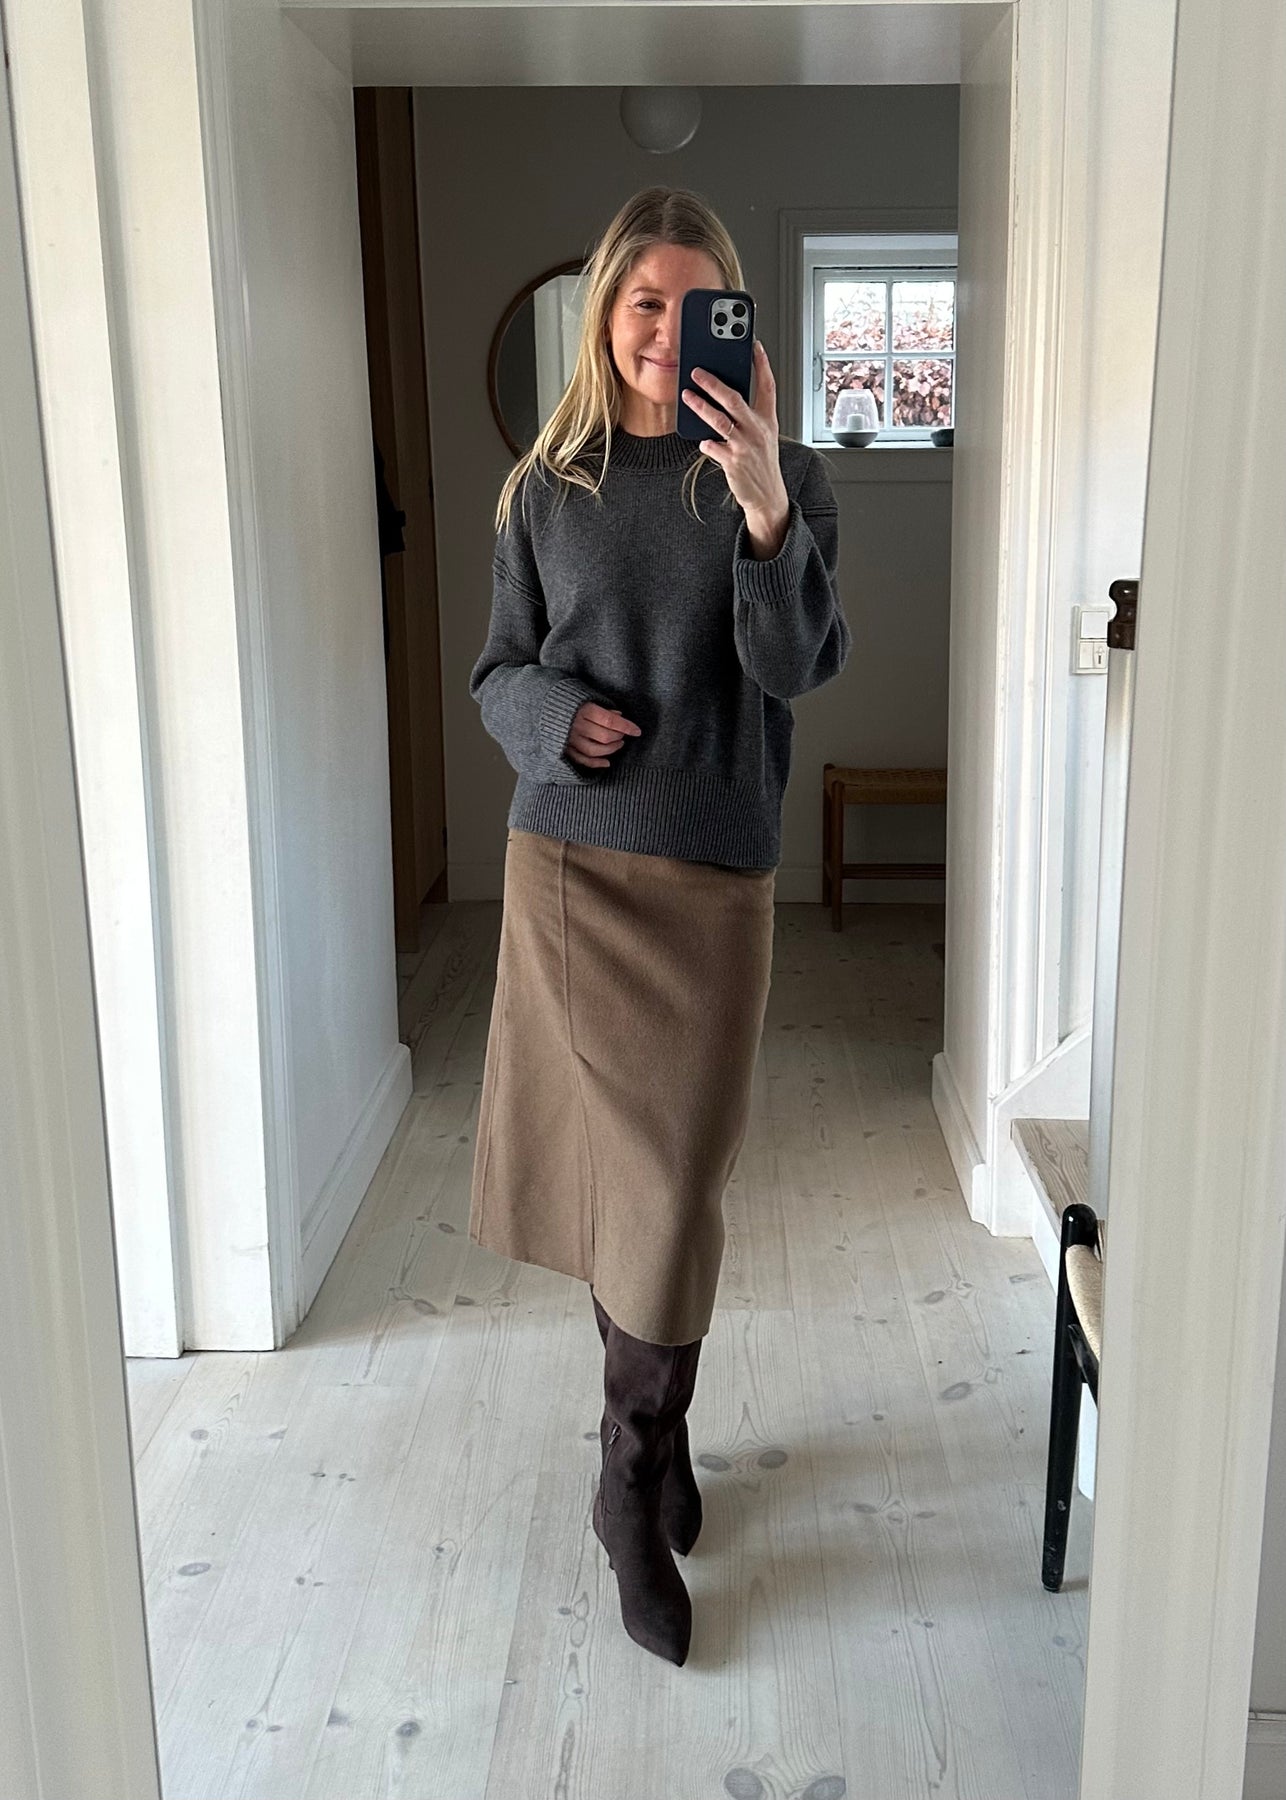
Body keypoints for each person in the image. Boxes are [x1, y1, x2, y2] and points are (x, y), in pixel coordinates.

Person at [467, 185, 850, 1665]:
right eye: (644, 303)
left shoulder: (784, 478)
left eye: (698, 309)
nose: (664, 333)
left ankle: (645, 1443)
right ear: (605, 311)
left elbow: (796, 663)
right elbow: (499, 669)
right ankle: (634, 1472)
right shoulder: (543, 488)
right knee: (620, 1184)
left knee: (676, 1189)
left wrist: (763, 505)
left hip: (716, 878)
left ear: (733, 320)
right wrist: (554, 719)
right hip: (573, 871)